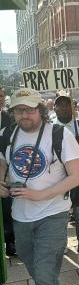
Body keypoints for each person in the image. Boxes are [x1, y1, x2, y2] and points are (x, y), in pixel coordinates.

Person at [0, 88, 79, 285]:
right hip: (20, 215)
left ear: (40, 110)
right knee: (35, 269)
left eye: (29, 109)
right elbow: (2, 160)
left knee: (45, 274)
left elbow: (77, 176)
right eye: (18, 110)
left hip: (53, 214)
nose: (24, 115)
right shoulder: (7, 134)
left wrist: (40, 195)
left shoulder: (60, 134)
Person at [52, 95, 79, 266]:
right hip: (57, 179)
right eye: (60, 105)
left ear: (73, 107)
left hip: (78, 178)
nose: (64, 108)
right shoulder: (49, 128)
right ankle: (61, 243)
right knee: (60, 212)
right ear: (54, 108)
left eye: (67, 105)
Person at [0, 86, 14, 256]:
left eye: (2, 95)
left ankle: (10, 242)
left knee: (6, 206)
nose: (1, 98)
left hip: (4, 168)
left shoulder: (8, 118)